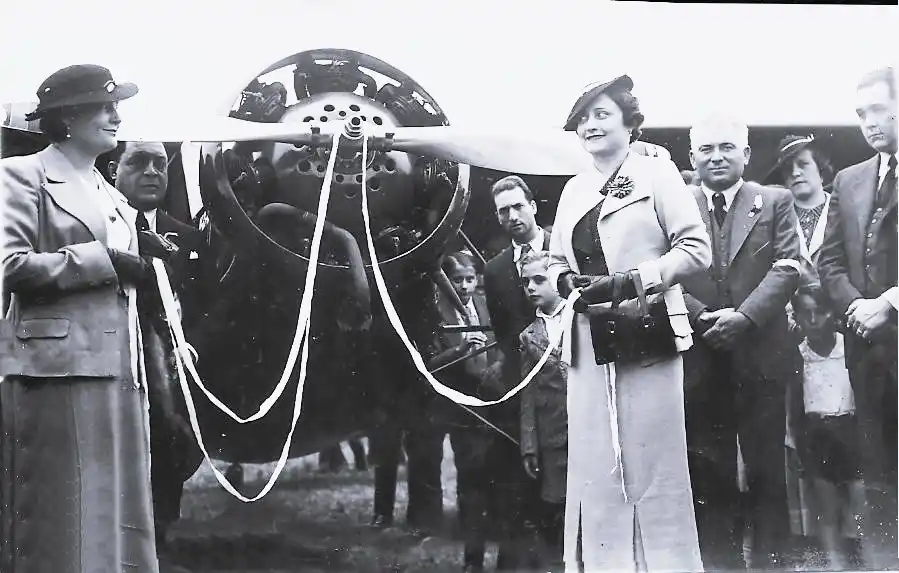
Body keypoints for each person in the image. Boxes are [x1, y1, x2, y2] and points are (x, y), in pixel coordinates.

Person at [0, 65, 159, 572]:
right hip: (58, 369)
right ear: (68, 117)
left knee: (111, 517)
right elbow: (10, 265)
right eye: (105, 107)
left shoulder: (107, 189)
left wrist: (141, 251)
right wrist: (104, 260)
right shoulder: (21, 175)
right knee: (64, 518)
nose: (117, 117)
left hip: (117, 367)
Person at [550, 74, 711, 572]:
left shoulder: (657, 175)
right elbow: (553, 260)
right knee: (597, 467)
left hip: (647, 336)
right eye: (583, 119)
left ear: (630, 122)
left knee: (651, 465)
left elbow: (695, 249)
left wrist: (633, 281)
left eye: (602, 115)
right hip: (588, 347)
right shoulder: (573, 189)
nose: (590, 126)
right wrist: (564, 282)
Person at [679, 115, 803, 570]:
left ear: (746, 155)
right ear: (692, 157)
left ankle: (772, 564)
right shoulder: (676, 203)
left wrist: (745, 318)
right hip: (701, 357)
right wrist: (700, 316)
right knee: (708, 474)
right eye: (706, 149)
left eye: (727, 147)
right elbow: (664, 270)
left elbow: (788, 266)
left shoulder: (775, 200)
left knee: (767, 472)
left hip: (760, 358)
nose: (716, 157)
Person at [817, 66, 898, 570]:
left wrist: (889, 303)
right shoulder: (849, 180)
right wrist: (858, 307)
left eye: (880, 110)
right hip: (866, 349)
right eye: (861, 113)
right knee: (879, 473)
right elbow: (829, 261)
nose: (869, 122)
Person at [109, 140, 204, 552]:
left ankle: (158, 539)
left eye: (160, 164)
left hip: (170, 361)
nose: (151, 172)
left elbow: (203, 301)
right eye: (138, 162)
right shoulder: (97, 227)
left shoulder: (188, 238)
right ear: (114, 170)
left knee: (168, 438)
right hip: (108, 354)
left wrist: (188, 344)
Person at [481, 175, 550, 570]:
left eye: (518, 206)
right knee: (517, 482)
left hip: (568, 383)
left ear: (533, 206)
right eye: (503, 211)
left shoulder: (564, 250)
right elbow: (505, 336)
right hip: (520, 387)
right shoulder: (494, 271)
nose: (512, 216)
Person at [428, 251, 500, 573]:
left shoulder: (486, 304)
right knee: (470, 481)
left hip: (495, 403)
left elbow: (503, 344)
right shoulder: (436, 313)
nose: (465, 286)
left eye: (470, 279)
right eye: (457, 280)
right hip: (462, 410)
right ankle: (473, 559)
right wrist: (460, 349)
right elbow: (430, 364)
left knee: (497, 478)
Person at [791, 281, 865, 570]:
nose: (813, 320)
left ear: (832, 312)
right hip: (817, 439)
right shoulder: (799, 354)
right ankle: (836, 566)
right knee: (828, 512)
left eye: (820, 311)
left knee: (860, 509)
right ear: (796, 316)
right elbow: (794, 409)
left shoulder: (850, 347)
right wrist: (798, 447)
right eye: (805, 313)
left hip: (852, 434)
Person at [518, 250, 569, 573]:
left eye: (539, 279)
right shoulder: (528, 337)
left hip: (591, 430)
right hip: (553, 437)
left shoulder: (581, 317)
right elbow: (528, 393)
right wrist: (529, 445)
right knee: (556, 509)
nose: (531, 288)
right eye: (526, 282)